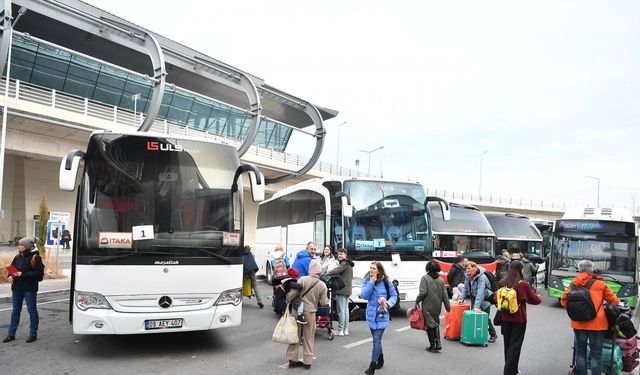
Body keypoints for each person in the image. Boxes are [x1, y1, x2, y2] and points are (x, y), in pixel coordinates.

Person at [561, 260, 619, 375]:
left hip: (578, 323)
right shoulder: (600, 284)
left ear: (580, 269)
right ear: (591, 270)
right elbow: (615, 301)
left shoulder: (573, 284)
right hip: (597, 325)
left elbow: (564, 302)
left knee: (580, 354)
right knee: (596, 355)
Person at [495, 260, 542, 375]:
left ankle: (512, 369)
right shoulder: (523, 284)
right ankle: (509, 371)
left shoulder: (502, 282)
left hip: (505, 318)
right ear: (521, 270)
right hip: (518, 319)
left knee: (508, 345)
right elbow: (534, 300)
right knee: (515, 346)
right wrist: (539, 297)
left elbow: (496, 299)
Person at [286, 260, 328, 370]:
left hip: (297, 311)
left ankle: (292, 359)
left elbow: (292, 294)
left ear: (310, 269)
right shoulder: (322, 285)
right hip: (310, 313)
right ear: (319, 271)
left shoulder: (302, 279)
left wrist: (287, 299)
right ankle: (307, 362)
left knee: (295, 335)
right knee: (309, 337)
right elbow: (324, 303)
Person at [3, 237, 44, 343]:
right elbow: (12, 268)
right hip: (16, 287)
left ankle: (33, 334)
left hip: (29, 288)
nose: (19, 246)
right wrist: (10, 276)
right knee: (15, 311)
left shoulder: (35, 257)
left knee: (32, 311)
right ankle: (11, 334)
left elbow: (39, 274)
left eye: (21, 245)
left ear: (27, 247)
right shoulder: (17, 257)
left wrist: (23, 274)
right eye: (19, 244)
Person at [361, 261, 398, 375]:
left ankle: (372, 366)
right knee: (377, 340)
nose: (371, 270)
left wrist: (387, 304)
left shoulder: (386, 281)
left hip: (382, 314)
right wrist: (371, 283)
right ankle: (380, 359)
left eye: (374, 268)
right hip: (371, 314)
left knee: (376, 340)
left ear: (379, 270)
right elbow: (364, 295)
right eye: (371, 268)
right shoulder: (367, 280)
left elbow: (394, 296)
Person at [459, 261, 498, 343]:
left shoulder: (481, 277)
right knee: (475, 317)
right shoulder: (468, 275)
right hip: (474, 297)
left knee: (485, 317)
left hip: (485, 298)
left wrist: (476, 306)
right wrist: (461, 299)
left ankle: (493, 334)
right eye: (466, 268)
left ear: (474, 267)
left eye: (469, 268)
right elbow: (466, 288)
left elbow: (480, 292)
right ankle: (475, 334)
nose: (467, 270)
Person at [415, 260, 451, 353]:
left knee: (430, 325)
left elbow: (423, 292)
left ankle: (432, 345)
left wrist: (417, 301)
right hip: (437, 306)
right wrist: (448, 308)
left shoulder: (425, 278)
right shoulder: (441, 280)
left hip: (427, 305)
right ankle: (438, 343)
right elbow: (445, 296)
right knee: (435, 323)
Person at [325, 247, 354, 336]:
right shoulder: (349, 264)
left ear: (345, 255)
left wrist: (325, 274)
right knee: (345, 310)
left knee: (341, 311)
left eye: (341, 254)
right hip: (348, 290)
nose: (339, 255)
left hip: (342, 290)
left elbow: (335, 271)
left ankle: (340, 330)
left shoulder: (344, 263)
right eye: (339, 254)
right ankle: (346, 330)